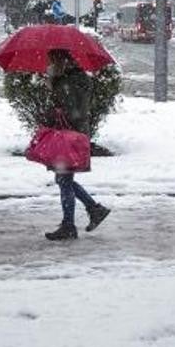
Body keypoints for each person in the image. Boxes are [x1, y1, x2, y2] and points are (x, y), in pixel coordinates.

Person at [43, 49, 110, 241]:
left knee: (64, 180)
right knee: (64, 179)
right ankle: (94, 209)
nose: (49, 66)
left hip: (70, 136)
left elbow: (72, 110)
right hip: (72, 135)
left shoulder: (69, 82)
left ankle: (69, 225)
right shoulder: (74, 79)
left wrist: (54, 86)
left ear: (61, 62)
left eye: (52, 61)